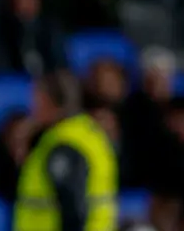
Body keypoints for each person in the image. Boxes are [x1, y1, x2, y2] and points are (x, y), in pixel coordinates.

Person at [13, 71, 117, 231]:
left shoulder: (64, 144)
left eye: (37, 98)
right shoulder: (87, 132)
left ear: (50, 101)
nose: (33, 106)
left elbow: (74, 209)